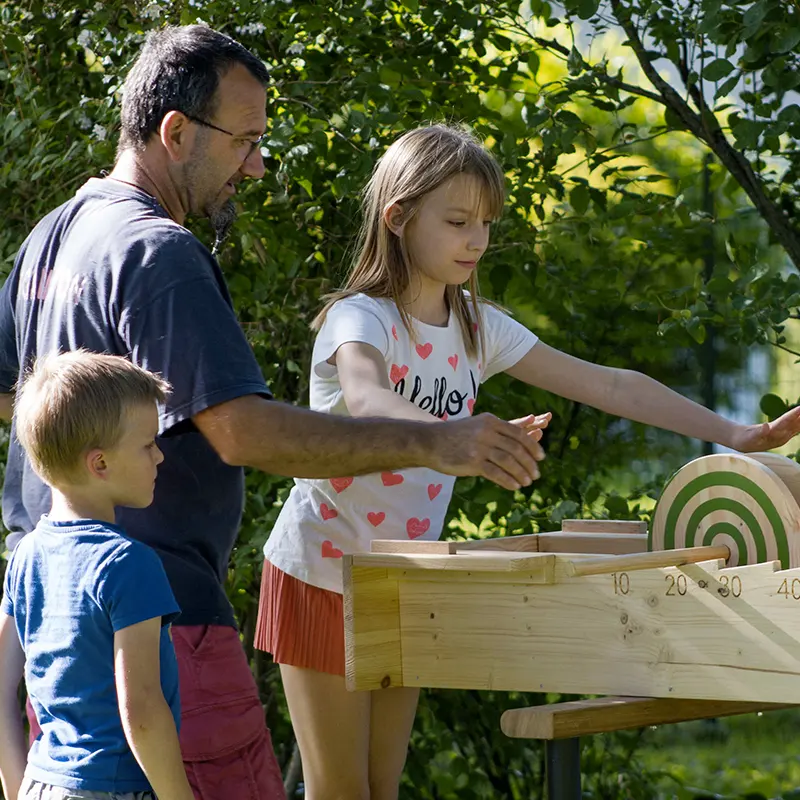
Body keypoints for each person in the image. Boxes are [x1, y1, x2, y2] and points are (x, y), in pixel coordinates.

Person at [0, 25, 546, 800]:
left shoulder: (53, 236)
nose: (255, 165)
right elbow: (244, 432)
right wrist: (435, 441)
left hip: (54, 626)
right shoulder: (158, 252)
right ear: (176, 132)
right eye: (245, 141)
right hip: (164, 625)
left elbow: (17, 397)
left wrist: (83, 467)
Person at [255, 123, 800, 800]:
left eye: (486, 223)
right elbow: (366, 399)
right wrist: (459, 437)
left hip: (400, 578)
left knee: (380, 787)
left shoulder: (476, 325)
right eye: (458, 221)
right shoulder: (360, 318)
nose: (477, 240)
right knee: (341, 789)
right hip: (321, 569)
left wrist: (736, 434)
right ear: (398, 217)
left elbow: (611, 386)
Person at [0, 351, 193, 800]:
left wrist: (17, 788)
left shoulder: (26, 556)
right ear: (100, 464)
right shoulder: (129, 562)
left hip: (41, 784)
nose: (159, 456)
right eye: (148, 444)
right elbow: (141, 710)